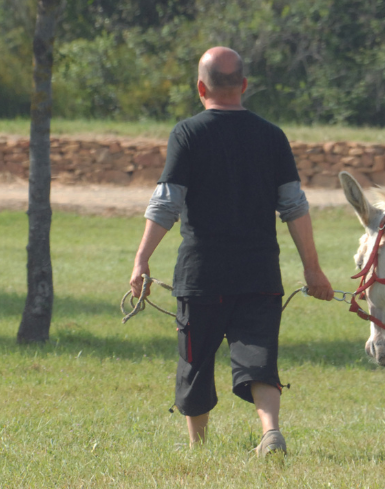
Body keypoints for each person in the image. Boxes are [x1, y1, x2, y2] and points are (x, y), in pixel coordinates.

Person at [128, 46, 334, 455]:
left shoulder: (187, 133)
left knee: (196, 360)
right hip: (259, 273)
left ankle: (198, 446)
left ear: (200, 87)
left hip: (201, 275)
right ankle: (270, 431)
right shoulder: (272, 136)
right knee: (259, 354)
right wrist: (313, 269)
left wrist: (141, 258)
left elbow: (166, 203)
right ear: (243, 85)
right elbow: (294, 206)